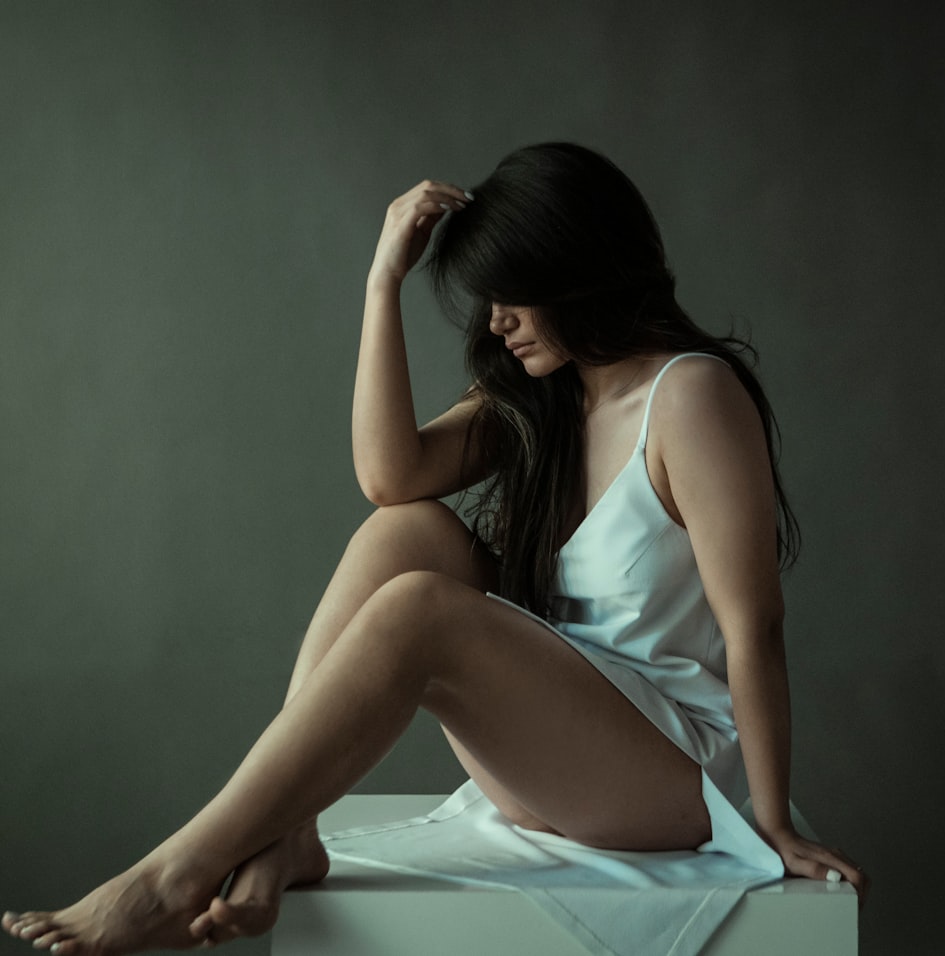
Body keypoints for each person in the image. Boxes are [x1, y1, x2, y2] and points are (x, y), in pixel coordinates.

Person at [3, 142, 867, 955]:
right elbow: (391, 476)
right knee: (405, 533)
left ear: (570, 269)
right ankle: (289, 830)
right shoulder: (548, 403)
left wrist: (771, 819)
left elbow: (754, 627)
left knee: (422, 613)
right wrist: (383, 280)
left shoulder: (690, 396)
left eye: (510, 297)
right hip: (563, 748)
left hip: (673, 770)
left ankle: (172, 874)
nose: (496, 326)